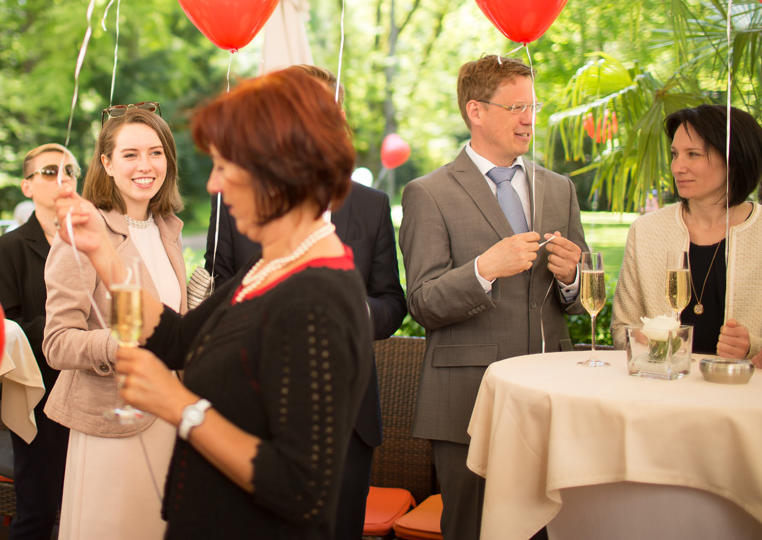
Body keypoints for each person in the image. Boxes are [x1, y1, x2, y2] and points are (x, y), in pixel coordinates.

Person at [55, 68, 373, 539]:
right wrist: (102, 254)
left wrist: (179, 405)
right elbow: (177, 340)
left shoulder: (319, 298)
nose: (213, 185)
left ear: (277, 168)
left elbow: (302, 488)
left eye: (226, 166)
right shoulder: (267, 266)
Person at [204, 64, 407, 540]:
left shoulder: (372, 205)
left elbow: (392, 302)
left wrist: (357, 312)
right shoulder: (235, 200)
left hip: (349, 417)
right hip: (252, 410)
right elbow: (214, 291)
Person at [398, 54, 587, 540]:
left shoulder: (560, 189)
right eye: (515, 107)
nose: (529, 118)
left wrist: (572, 279)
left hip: (553, 393)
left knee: (555, 529)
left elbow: (579, 299)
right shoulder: (428, 193)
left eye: (533, 105)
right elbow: (422, 302)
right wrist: (484, 270)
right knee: (473, 530)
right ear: (475, 111)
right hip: (467, 398)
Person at [42, 103, 187, 540]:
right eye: (130, 154)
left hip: (168, 414)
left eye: (156, 152)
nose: (146, 165)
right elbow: (57, 342)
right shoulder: (84, 232)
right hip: (112, 421)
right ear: (106, 162)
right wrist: (119, 344)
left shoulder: (168, 230)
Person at [610, 104, 762, 359]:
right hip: (662, 391)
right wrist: (639, 336)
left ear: (734, 158)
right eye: (674, 154)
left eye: (693, 154)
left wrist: (753, 347)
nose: (677, 167)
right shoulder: (646, 231)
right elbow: (621, 328)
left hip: (743, 394)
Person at [0, 143, 81, 540]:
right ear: (27, 187)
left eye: (70, 171)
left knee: (86, 510)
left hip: (91, 386)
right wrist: (68, 325)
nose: (63, 179)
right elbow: (7, 331)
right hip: (39, 392)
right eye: (48, 172)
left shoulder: (94, 242)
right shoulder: (6, 249)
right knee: (37, 513)